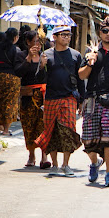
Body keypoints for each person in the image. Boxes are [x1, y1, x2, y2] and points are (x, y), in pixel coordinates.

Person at [78, 17, 109, 186]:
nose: (108, 34)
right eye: (105, 31)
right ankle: (94, 163)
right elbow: (82, 75)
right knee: (88, 139)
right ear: (100, 33)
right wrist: (90, 63)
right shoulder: (92, 52)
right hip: (92, 98)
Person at [34, 26, 84, 177]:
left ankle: (66, 164)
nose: (67, 38)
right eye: (63, 35)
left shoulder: (76, 55)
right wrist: (42, 66)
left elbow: (80, 79)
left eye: (68, 35)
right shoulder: (46, 55)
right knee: (51, 131)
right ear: (54, 37)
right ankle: (54, 164)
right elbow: (39, 79)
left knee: (68, 131)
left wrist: (81, 100)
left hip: (69, 97)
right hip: (51, 98)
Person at [15, 30, 50, 169]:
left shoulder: (45, 56)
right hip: (28, 96)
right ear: (28, 42)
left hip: (42, 96)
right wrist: (29, 57)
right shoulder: (21, 55)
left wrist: (43, 66)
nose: (37, 44)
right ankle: (31, 154)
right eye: (35, 41)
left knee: (43, 125)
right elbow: (18, 72)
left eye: (40, 42)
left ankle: (44, 156)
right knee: (29, 126)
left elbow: (47, 76)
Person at [0, 27, 20, 135]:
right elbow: (18, 65)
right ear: (15, 37)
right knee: (10, 103)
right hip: (12, 77)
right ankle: (6, 130)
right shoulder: (16, 49)